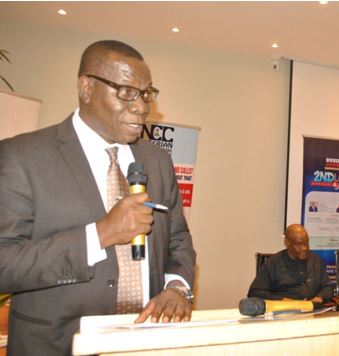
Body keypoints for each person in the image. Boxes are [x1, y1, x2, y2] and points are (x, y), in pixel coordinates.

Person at [0, 40, 196, 355]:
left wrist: (177, 287)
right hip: (56, 345)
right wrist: (99, 234)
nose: (142, 106)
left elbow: (178, 239)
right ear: (87, 88)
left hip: (146, 342)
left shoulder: (157, 161)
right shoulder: (22, 157)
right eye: (127, 91)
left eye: (146, 93)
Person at [247, 224, 332, 303]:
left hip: (313, 310)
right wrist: (283, 300)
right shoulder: (273, 263)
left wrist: (320, 298)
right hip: (285, 312)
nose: (305, 248)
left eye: (306, 243)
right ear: (287, 243)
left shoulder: (315, 260)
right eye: (298, 244)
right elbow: (255, 292)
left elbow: (328, 287)